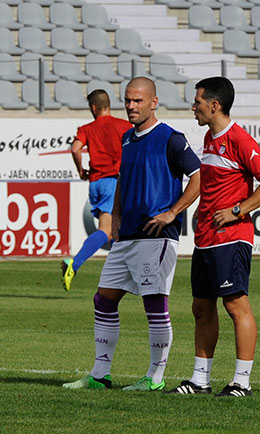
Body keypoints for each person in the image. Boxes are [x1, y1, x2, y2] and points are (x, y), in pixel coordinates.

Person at [63, 77, 201, 391]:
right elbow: (123, 181)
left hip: (157, 237)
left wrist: (172, 213)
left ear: (154, 102)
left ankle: (153, 378)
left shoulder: (171, 138)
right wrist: (117, 221)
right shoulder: (126, 139)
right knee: (103, 299)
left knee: (154, 303)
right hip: (126, 237)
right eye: (127, 100)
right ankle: (100, 375)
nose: (131, 106)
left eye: (138, 101)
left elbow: (198, 176)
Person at [167, 77, 260, 397]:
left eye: (198, 102)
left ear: (214, 105)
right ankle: (200, 380)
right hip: (205, 237)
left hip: (231, 237)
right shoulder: (208, 137)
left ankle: (241, 382)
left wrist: (237, 210)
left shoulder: (239, 140)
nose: (193, 107)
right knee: (201, 307)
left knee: (235, 306)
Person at [61, 89, 132, 292]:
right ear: (108, 105)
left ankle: (123, 279)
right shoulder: (123, 126)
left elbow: (75, 148)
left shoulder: (87, 128)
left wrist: (80, 169)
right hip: (114, 182)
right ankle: (73, 264)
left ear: (93, 107)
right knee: (107, 231)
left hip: (96, 182)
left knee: (118, 232)